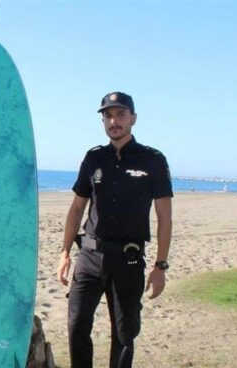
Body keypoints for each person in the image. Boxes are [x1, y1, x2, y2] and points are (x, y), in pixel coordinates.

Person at [56, 92, 173, 368]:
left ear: (133, 118)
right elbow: (76, 209)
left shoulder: (152, 160)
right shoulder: (94, 158)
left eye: (120, 114)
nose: (114, 121)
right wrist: (64, 252)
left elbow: (164, 217)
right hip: (89, 256)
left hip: (128, 260)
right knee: (76, 325)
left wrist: (160, 266)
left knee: (124, 335)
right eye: (108, 115)